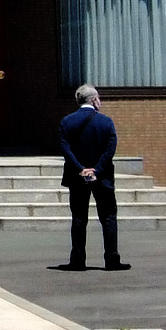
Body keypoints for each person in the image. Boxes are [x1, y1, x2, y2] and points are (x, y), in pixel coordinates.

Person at [53, 84, 130, 272]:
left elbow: (65, 149)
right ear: (94, 99)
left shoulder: (66, 122)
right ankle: (112, 259)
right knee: (108, 216)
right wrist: (96, 169)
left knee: (79, 218)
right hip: (102, 177)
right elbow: (110, 149)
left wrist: (81, 169)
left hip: (77, 177)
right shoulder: (106, 122)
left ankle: (78, 260)